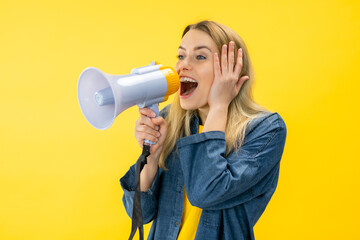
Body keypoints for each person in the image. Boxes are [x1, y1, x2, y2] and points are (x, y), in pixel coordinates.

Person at [120, 20, 287, 240]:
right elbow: (139, 216)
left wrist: (219, 106)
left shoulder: (266, 130)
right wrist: (151, 159)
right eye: (181, 56)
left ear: (232, 70)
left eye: (200, 57)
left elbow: (205, 192)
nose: (182, 66)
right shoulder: (170, 120)